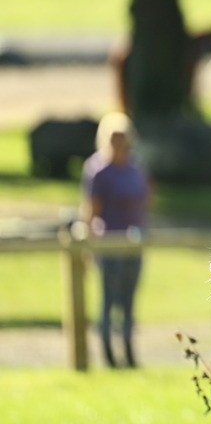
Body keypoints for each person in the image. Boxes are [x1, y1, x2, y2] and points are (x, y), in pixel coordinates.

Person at [81, 112, 151, 369]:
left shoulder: (135, 167)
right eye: (114, 138)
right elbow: (92, 209)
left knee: (130, 299)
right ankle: (108, 353)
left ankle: (130, 352)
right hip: (108, 242)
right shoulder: (97, 170)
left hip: (133, 243)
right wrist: (88, 244)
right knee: (109, 299)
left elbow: (145, 200)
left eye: (123, 137)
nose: (119, 143)